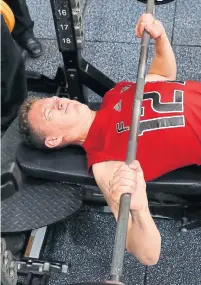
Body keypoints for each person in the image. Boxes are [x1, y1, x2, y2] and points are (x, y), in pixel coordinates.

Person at [19, 13, 201, 265]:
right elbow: (149, 255)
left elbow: (162, 78)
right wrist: (139, 211)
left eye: (54, 100)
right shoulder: (105, 163)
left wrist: (161, 39)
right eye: (51, 112)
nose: (59, 102)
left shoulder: (114, 94)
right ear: (54, 139)